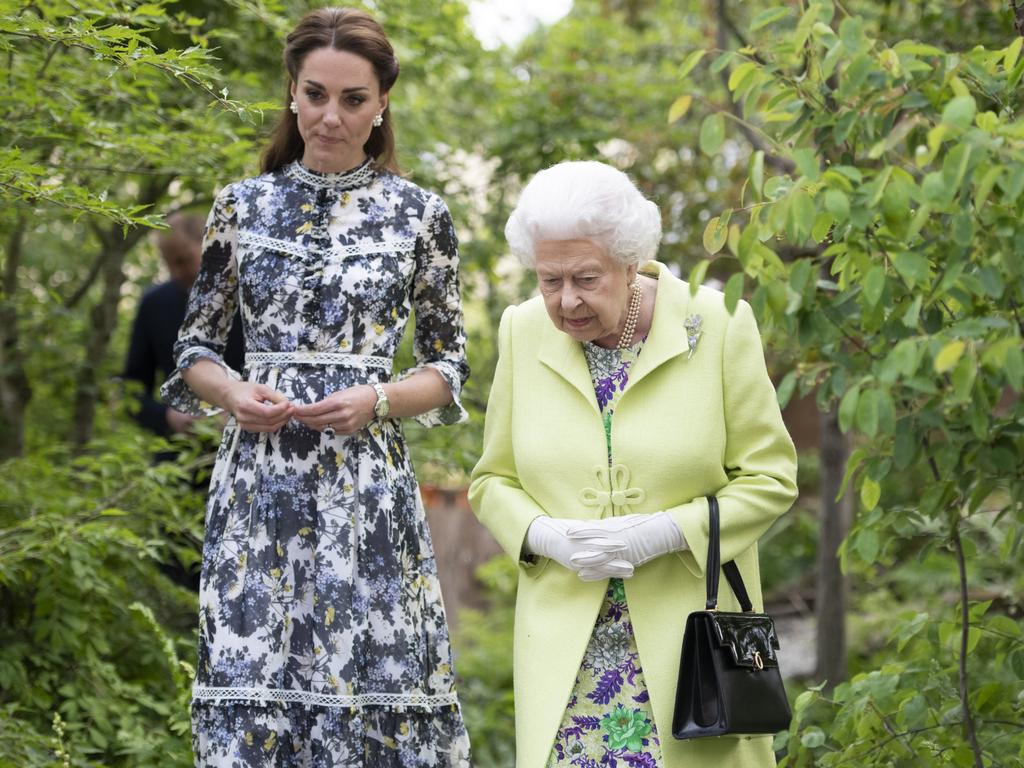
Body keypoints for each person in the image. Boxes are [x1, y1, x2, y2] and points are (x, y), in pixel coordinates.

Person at [159, 8, 471, 766]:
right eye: (316, 94)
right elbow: (195, 349)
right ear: (292, 95)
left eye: (353, 99)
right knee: (254, 686)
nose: (332, 116)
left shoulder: (419, 215)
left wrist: (381, 399)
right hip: (259, 489)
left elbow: (449, 364)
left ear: (382, 103)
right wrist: (231, 393)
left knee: (368, 687)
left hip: (365, 490)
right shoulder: (241, 205)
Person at [469, 160, 798, 768]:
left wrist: (664, 532)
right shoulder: (520, 331)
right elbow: (494, 480)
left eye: (586, 278)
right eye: (549, 280)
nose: (566, 301)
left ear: (630, 261)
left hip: (693, 651)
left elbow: (772, 478)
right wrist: (545, 535)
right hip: (568, 654)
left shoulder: (719, 325)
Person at [123, 212, 243, 437]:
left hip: (249, 445)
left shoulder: (250, 298)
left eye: (183, 260)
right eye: (169, 263)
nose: (176, 272)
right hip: (179, 457)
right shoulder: (154, 305)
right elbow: (131, 389)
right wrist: (168, 416)